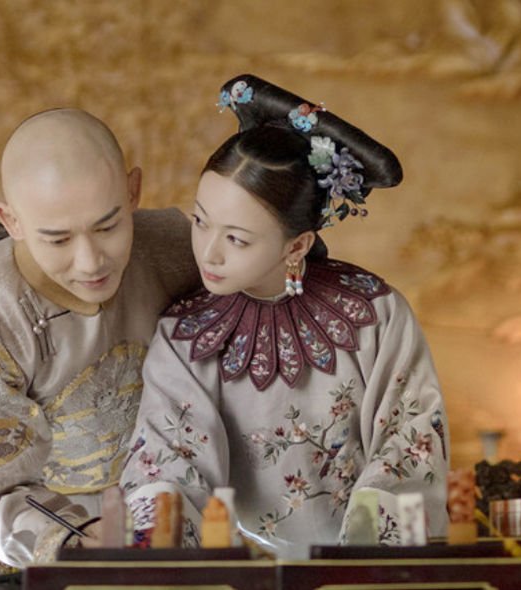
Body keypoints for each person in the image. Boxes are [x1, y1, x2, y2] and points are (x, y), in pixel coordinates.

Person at [120, 75, 449, 556]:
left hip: (353, 570)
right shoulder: (186, 333)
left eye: (236, 238)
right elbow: (169, 463)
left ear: (297, 245)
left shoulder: (374, 315)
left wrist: (355, 569)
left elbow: (407, 447)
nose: (208, 252)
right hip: (240, 573)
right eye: (201, 221)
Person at [0, 108, 198, 581]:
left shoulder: (178, 248)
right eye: (58, 240)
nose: (91, 262)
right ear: (11, 221)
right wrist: (80, 543)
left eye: (108, 227)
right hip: (34, 543)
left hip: (169, 511)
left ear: (133, 191)